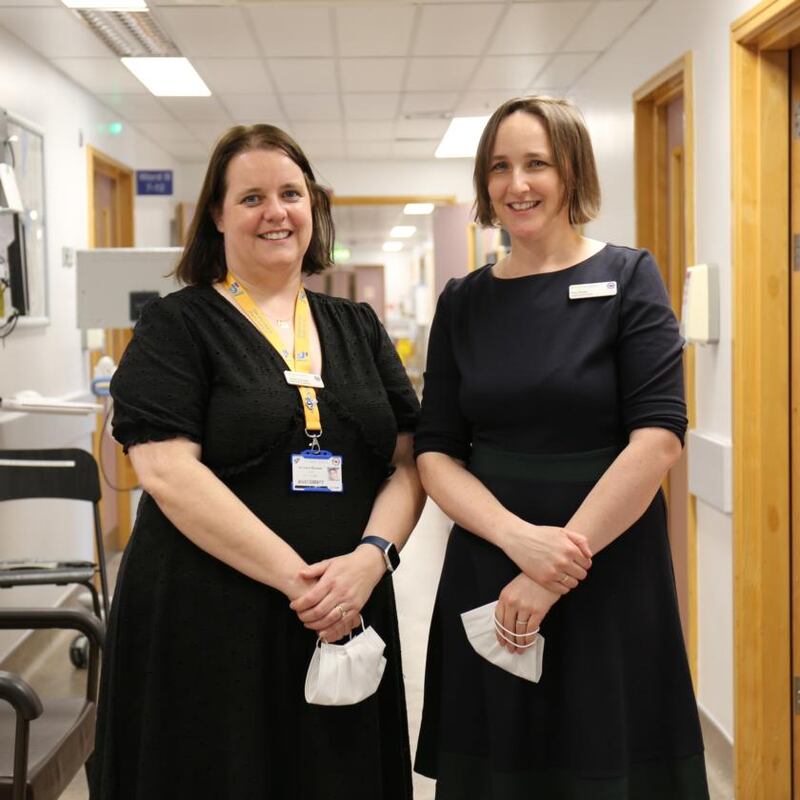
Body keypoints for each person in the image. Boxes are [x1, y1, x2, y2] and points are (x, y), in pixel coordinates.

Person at [90, 124, 425, 800]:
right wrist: (305, 586)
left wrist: (372, 559)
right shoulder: (176, 325)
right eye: (251, 198)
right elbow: (167, 472)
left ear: (313, 206)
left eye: (291, 194)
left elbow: (410, 460)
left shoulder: (357, 325)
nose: (276, 212)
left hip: (349, 603)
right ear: (217, 215)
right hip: (213, 614)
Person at [413, 97, 709, 799]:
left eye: (536, 163)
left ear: (572, 170)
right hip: (491, 563)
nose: (516, 184)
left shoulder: (630, 278)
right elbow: (435, 452)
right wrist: (518, 541)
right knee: (502, 767)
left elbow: (658, 439)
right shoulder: (463, 301)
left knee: (603, 758)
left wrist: (552, 570)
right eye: (499, 167)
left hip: (608, 566)